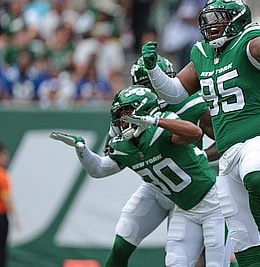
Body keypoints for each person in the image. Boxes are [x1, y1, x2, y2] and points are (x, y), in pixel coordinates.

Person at [140, 0, 260, 267]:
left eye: (218, 20)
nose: (211, 26)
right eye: (208, 21)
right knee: (243, 243)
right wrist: (153, 71)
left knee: (256, 175)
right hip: (228, 155)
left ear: (237, 21)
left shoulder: (248, 40)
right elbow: (176, 92)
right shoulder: (202, 53)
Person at [50, 85, 226, 267]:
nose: (122, 119)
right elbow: (99, 169)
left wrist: (154, 121)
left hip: (213, 203)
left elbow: (195, 133)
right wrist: (82, 150)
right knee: (175, 263)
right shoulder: (124, 145)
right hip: (184, 208)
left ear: (143, 110)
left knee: (217, 264)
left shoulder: (163, 125)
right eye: (119, 114)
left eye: (126, 112)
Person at [102, 55, 232, 267]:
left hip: (191, 188)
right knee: (123, 240)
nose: (155, 92)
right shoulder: (130, 112)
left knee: (210, 257)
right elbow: (111, 153)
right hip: (158, 186)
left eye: (158, 83)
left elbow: (225, 139)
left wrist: (202, 158)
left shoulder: (191, 105)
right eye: (148, 86)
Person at [0, 141, 20, 267]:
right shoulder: (2, 176)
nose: (7, 157)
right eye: (4, 155)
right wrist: (15, 217)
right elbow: (6, 198)